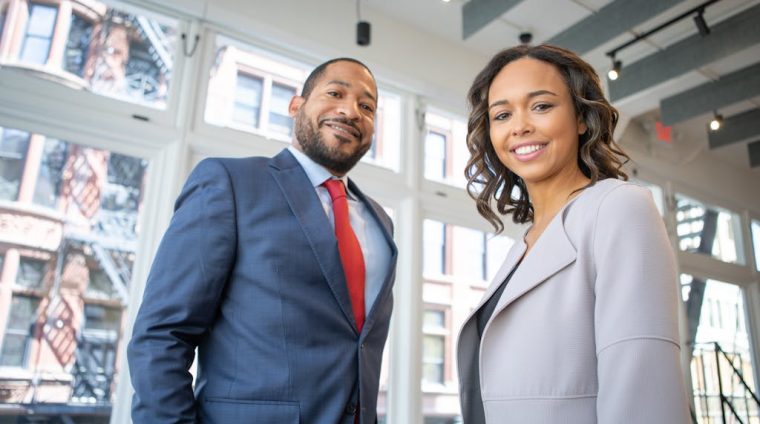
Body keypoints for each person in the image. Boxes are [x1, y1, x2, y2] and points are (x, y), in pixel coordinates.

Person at [127, 58, 398, 424]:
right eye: (335, 93)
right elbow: (161, 336)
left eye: (367, 107)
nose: (351, 111)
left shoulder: (380, 221)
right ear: (296, 105)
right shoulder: (229, 183)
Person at [456, 44, 690, 423]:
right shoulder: (523, 246)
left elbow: (643, 389)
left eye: (541, 106)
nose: (520, 127)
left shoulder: (619, 208)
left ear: (581, 117)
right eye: (502, 114)